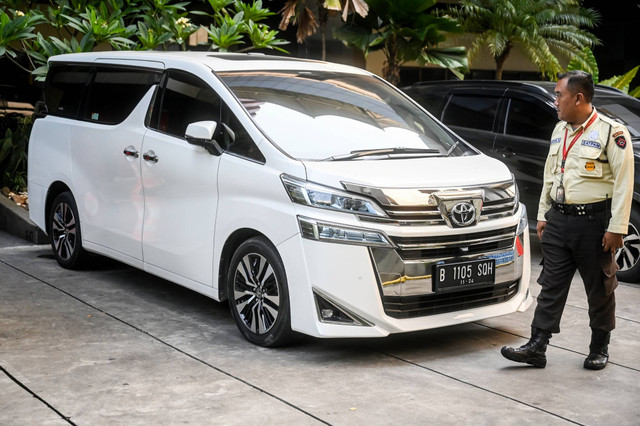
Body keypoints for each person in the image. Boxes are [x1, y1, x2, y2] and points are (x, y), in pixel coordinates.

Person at [501, 70, 634, 370]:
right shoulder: (560, 129)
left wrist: (617, 228)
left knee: (599, 287)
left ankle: (600, 346)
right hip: (559, 219)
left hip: (594, 222)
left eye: (559, 94)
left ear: (579, 98)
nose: (555, 100)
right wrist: (543, 214)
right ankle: (537, 345)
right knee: (551, 284)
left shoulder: (611, 133)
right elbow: (552, 174)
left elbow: (624, 184)